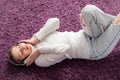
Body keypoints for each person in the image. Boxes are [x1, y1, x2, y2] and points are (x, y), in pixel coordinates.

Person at [8, 4, 120, 67]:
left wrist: (36, 38)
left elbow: (55, 21)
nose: (22, 47)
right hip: (94, 49)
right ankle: (113, 25)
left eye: (18, 46)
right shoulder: (40, 61)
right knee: (117, 24)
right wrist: (39, 51)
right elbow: (66, 48)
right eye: (21, 53)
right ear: (26, 61)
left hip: (87, 34)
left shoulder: (37, 39)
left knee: (88, 10)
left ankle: (112, 25)